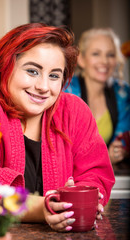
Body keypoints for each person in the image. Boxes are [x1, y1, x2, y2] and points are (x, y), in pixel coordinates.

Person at [0, 23, 115, 232]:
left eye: (54, 75)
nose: (43, 87)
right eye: (32, 71)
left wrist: (86, 198)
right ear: (5, 67)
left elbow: (96, 173)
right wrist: (45, 209)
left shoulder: (74, 111)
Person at [64, 28, 130, 165]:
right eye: (96, 54)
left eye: (110, 55)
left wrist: (119, 151)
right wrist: (103, 158)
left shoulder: (122, 93)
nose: (104, 61)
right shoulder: (64, 90)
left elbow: (123, 137)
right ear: (81, 59)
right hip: (66, 173)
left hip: (105, 174)